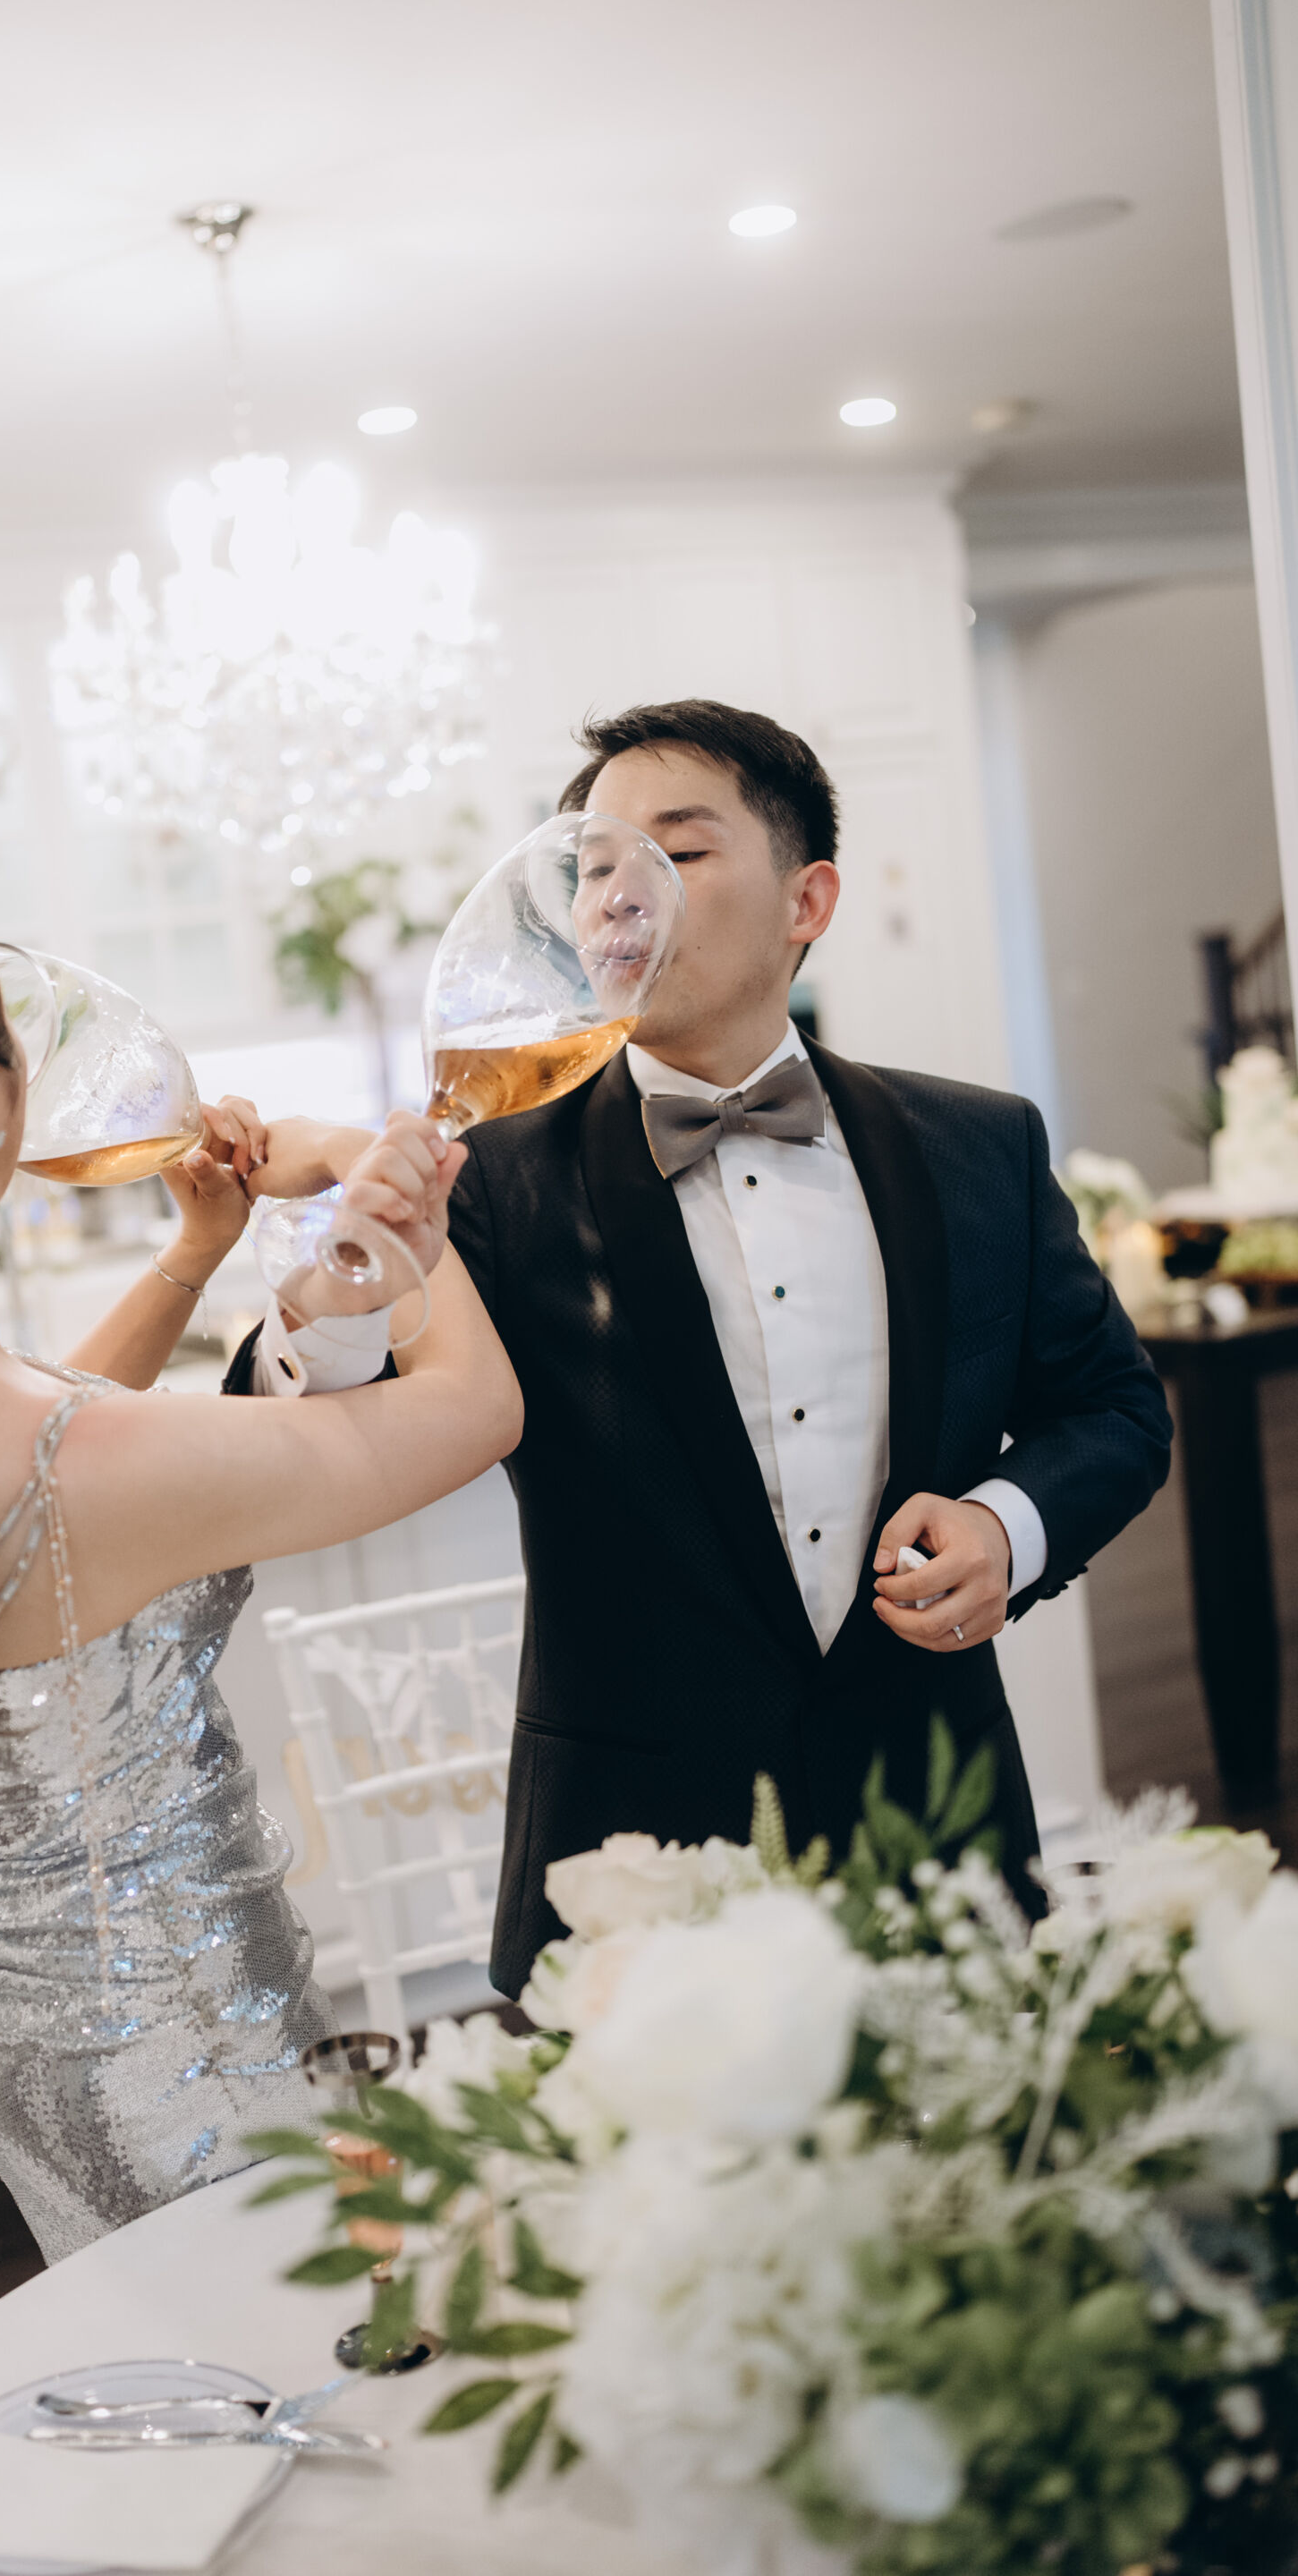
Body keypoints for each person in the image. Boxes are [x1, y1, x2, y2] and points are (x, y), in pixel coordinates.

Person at [242, 699, 1175, 1999]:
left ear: (808, 901)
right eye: (594, 869)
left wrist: (1005, 1528)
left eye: (676, 851)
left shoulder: (980, 1147)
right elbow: (301, 1445)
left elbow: (1117, 1411)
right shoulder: (496, 1182)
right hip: (634, 1875)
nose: (622, 896)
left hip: (938, 1833)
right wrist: (351, 1288)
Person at [0, 860, 520, 2262]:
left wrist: (198, 1253)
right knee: (291, 2331)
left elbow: (41, 1464)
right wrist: (383, 1204)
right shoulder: (83, 1462)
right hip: (171, 2036)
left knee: (155, 2317)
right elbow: (474, 1412)